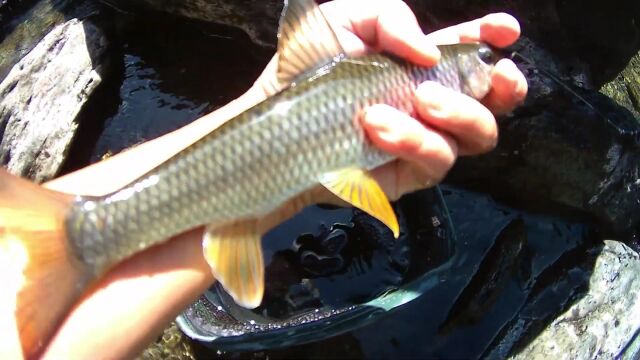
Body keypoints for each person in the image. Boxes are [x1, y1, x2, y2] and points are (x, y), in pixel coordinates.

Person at [0, 0, 527, 358]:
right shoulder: (427, 73)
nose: (495, 64)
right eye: (486, 58)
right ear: (452, 71)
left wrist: (262, 108)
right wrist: (269, 101)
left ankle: (87, 235)